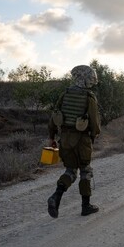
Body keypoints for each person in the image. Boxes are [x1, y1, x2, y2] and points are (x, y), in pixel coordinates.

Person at [47, 65, 102, 218]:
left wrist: (52, 137)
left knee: (70, 171)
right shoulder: (89, 97)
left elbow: (53, 117)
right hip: (82, 140)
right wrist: (93, 137)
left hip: (64, 139)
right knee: (85, 171)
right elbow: (95, 124)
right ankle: (86, 206)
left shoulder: (65, 94)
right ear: (86, 79)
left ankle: (55, 197)